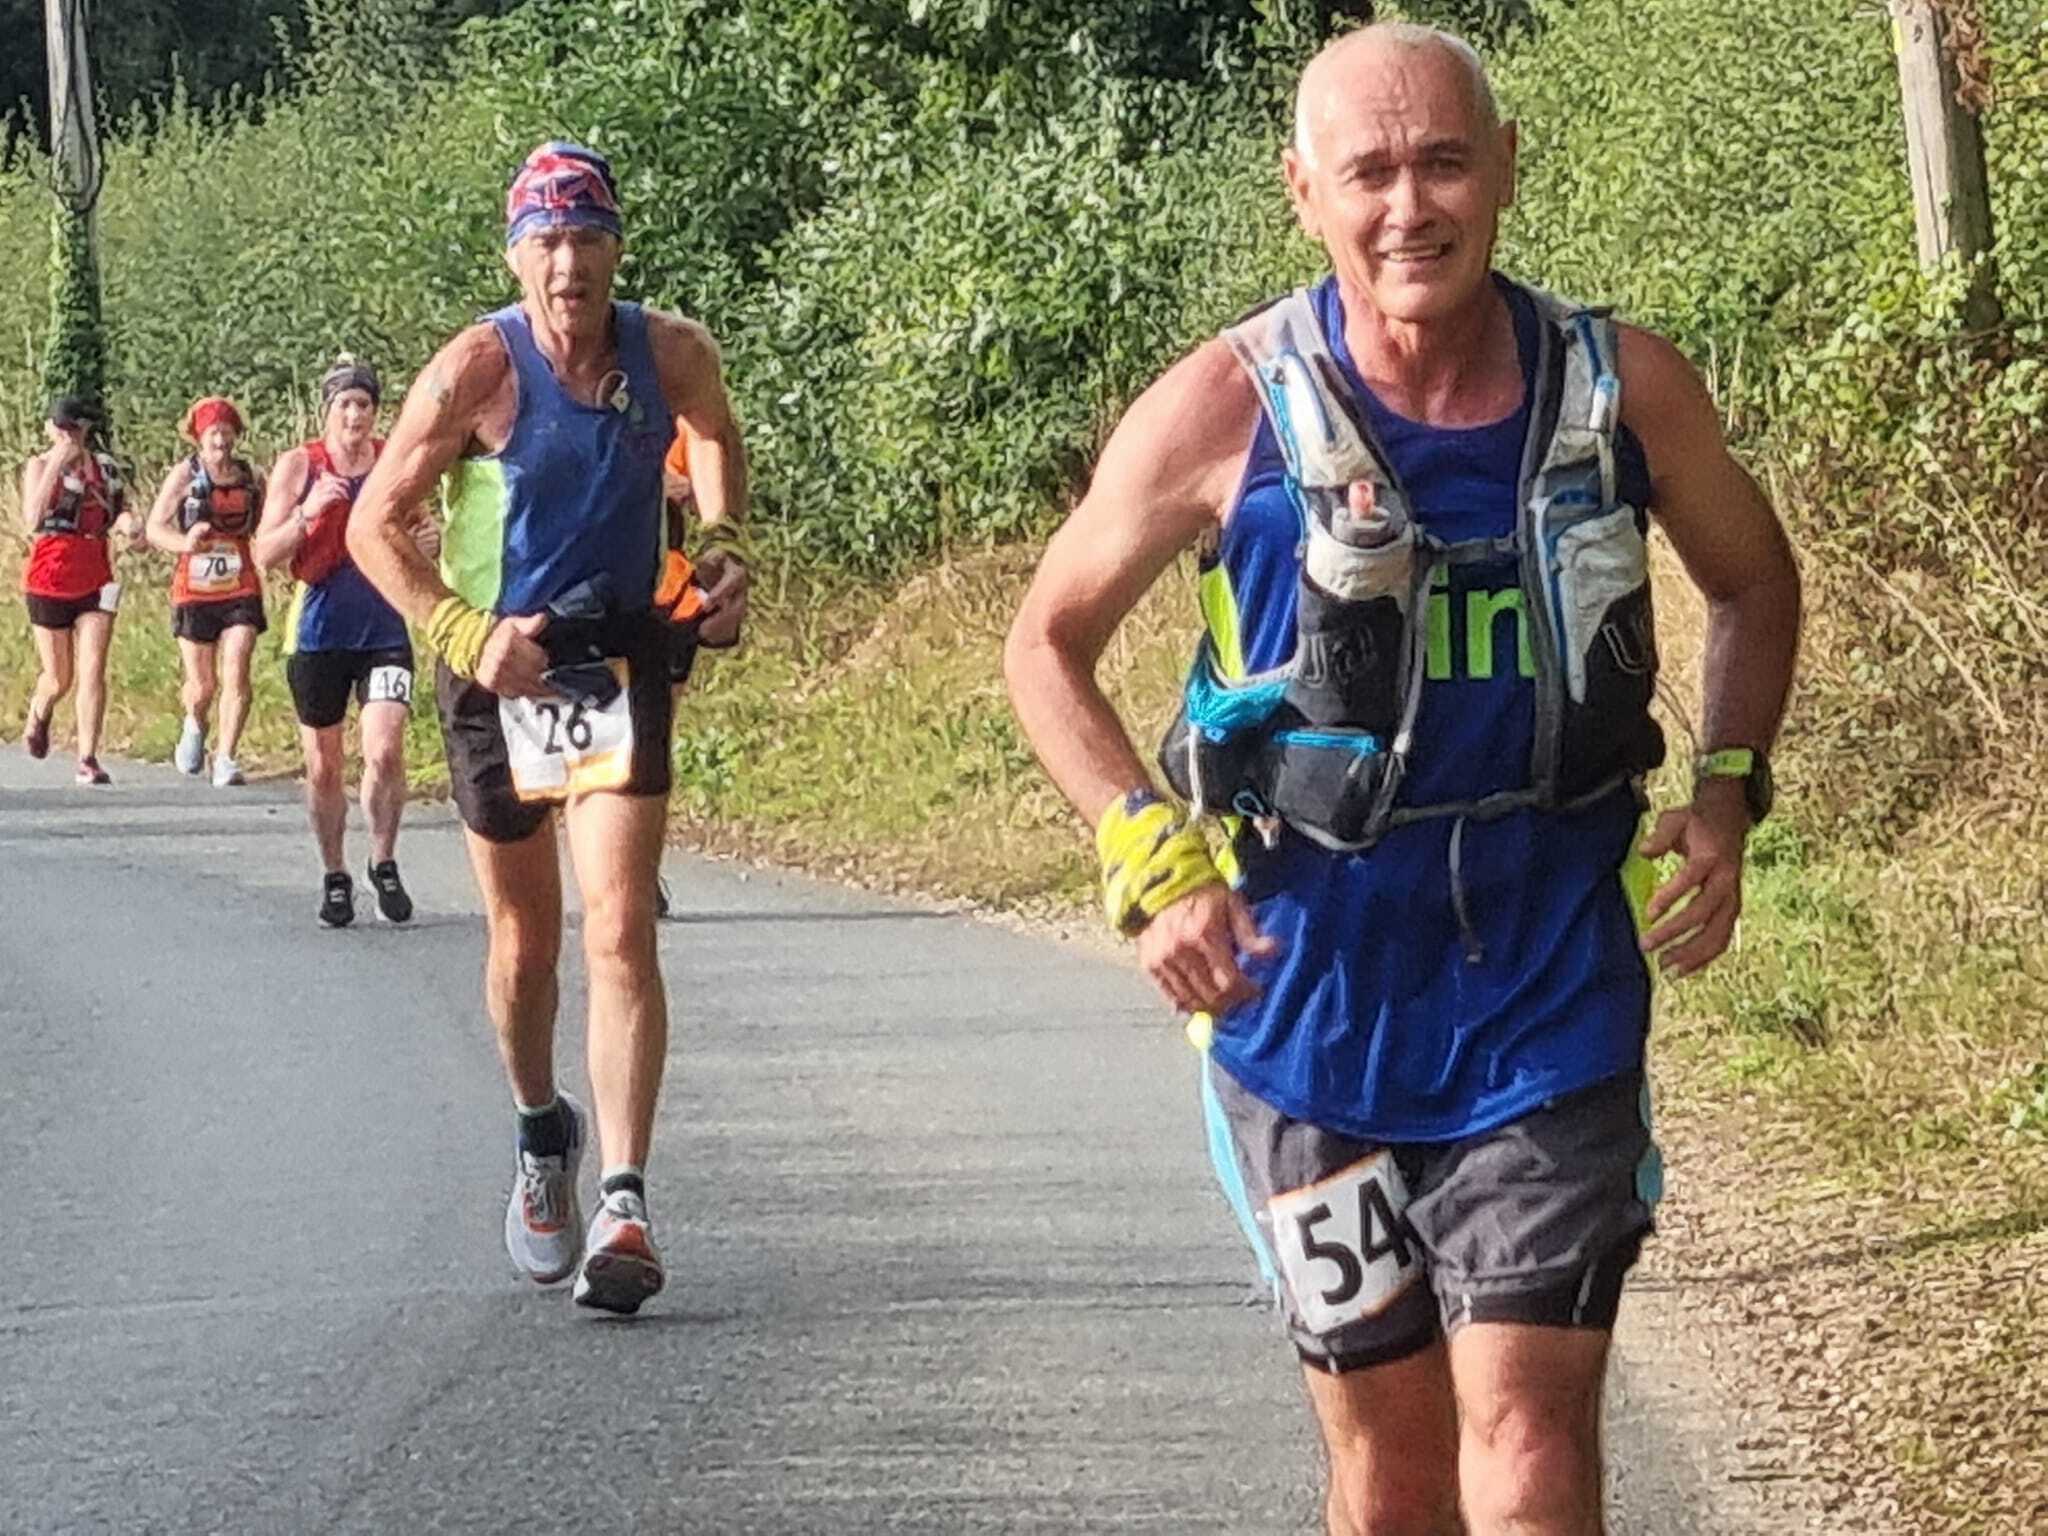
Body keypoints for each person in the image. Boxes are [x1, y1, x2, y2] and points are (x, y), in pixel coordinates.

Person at [1004, 25, 1801, 1536]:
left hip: (1547, 991)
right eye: (1368, 171)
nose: (1409, 207)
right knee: (1391, 1475)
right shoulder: (1225, 409)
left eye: (1443, 161)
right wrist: (1144, 851)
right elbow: (1045, 643)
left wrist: (1728, 787)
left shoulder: (1621, 388)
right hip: (1304, 1006)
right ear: (1305, 192)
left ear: (1507, 170)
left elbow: (1754, 582)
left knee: (1532, 1448)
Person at [348, 141, 749, 1314]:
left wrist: (722, 554)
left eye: (585, 239)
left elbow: (714, 439)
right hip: (499, 672)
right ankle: (540, 1132)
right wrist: (463, 633)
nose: (565, 265)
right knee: (525, 949)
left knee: (620, 927)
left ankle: (624, 1197)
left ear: (616, 247)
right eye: (544, 242)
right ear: (515, 254)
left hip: (615, 656)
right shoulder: (477, 366)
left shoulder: (667, 351)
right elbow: (379, 522)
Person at [252, 357, 423, 928]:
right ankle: (335, 874)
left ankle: (385, 859)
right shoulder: (300, 464)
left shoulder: (390, 461)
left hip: (384, 628)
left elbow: (419, 527)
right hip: (318, 631)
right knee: (324, 766)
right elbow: (264, 553)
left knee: (384, 749)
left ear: (376, 411)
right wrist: (307, 512)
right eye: (345, 404)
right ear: (328, 411)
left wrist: (428, 538)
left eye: (364, 405)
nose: (354, 414)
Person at [18, 395, 141, 786]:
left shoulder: (105, 470)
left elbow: (118, 507)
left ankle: (88, 756)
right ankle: (41, 708)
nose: (66, 434)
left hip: (96, 571)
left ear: (86, 429)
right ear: (50, 429)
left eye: (73, 428)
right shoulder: (39, 465)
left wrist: (127, 524)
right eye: (60, 428)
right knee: (59, 677)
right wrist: (57, 461)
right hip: (50, 574)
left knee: (93, 669)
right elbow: (32, 519)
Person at [145, 396, 266, 786]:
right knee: (202, 685)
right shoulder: (184, 476)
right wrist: (186, 544)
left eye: (227, 433)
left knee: (238, 668)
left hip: (240, 585)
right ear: (199, 437)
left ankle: (227, 757)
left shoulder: (251, 477)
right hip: (194, 589)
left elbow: (265, 524)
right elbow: (155, 528)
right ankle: (195, 723)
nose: (221, 441)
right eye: (213, 433)